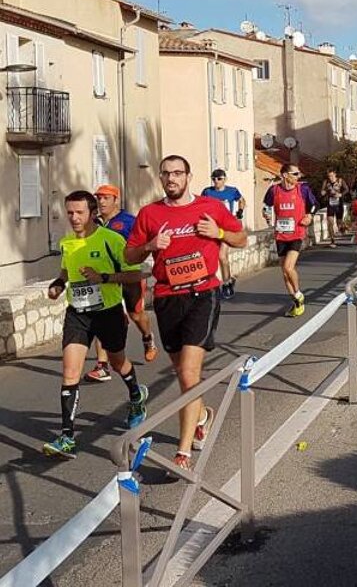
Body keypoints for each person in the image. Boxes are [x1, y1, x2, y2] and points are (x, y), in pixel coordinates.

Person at [125, 156, 246, 470]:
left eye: (177, 173)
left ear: (189, 176)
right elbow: (129, 254)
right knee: (183, 374)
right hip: (167, 297)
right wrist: (150, 244)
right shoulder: (150, 213)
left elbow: (241, 238)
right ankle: (203, 414)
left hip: (202, 293)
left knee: (190, 374)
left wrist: (218, 233)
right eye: (166, 174)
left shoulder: (210, 207)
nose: (171, 179)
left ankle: (183, 454)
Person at [43, 191, 150, 459]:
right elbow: (65, 273)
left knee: (117, 362)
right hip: (77, 314)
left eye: (79, 212)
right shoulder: (67, 243)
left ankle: (136, 396)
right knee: (70, 372)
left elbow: (136, 273)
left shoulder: (110, 239)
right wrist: (57, 285)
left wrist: (103, 277)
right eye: (69, 212)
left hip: (108, 313)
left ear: (92, 213)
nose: (74, 218)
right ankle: (67, 437)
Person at [85, 184, 157, 384]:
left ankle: (148, 337)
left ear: (116, 200)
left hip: (128, 275)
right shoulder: (95, 222)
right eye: (99, 198)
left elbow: (146, 242)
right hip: (104, 278)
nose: (101, 202)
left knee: (136, 314)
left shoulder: (128, 221)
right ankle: (102, 365)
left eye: (106, 198)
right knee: (102, 315)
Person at [263, 166, 318, 318]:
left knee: (288, 267)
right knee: (284, 273)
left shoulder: (303, 189)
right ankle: (296, 302)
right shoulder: (274, 190)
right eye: (295, 174)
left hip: (297, 233)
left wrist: (310, 216)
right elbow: (266, 205)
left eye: (298, 173)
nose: (298, 176)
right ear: (285, 175)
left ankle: (299, 293)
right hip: (281, 235)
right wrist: (266, 214)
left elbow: (314, 204)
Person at [200, 169, 244, 298]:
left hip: (226, 228)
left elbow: (242, 200)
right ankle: (224, 280)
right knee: (207, 255)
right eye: (213, 179)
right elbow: (200, 205)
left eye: (219, 179)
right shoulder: (207, 192)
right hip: (211, 227)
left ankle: (226, 284)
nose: (216, 181)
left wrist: (240, 212)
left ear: (224, 179)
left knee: (222, 256)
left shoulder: (232, 191)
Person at [321, 169, 349, 245]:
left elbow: (347, 189)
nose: (330, 177)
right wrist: (323, 192)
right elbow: (322, 191)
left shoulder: (340, 180)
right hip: (330, 204)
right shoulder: (326, 182)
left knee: (338, 223)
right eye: (329, 176)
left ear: (335, 174)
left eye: (332, 176)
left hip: (339, 203)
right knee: (330, 222)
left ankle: (343, 228)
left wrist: (341, 194)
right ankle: (332, 240)